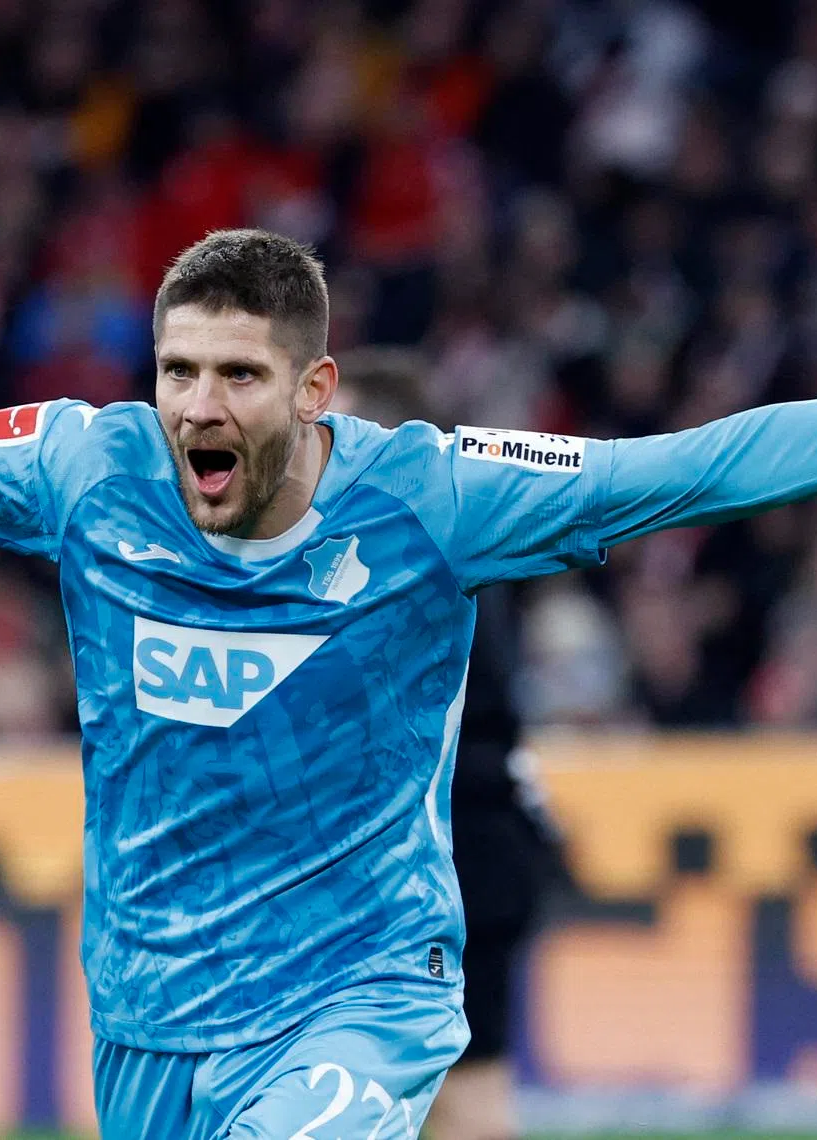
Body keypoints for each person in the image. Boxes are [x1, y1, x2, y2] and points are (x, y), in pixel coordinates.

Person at [0, 228, 817, 1138]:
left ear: (317, 387)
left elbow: (698, 465)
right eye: (178, 370)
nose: (198, 407)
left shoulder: (434, 497)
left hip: (358, 995)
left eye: (237, 375)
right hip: (150, 1017)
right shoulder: (88, 471)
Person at [334, 349, 570, 1140]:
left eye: (347, 429)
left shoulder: (403, 551)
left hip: (453, 848)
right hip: (479, 837)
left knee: (454, 1096)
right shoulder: (451, 537)